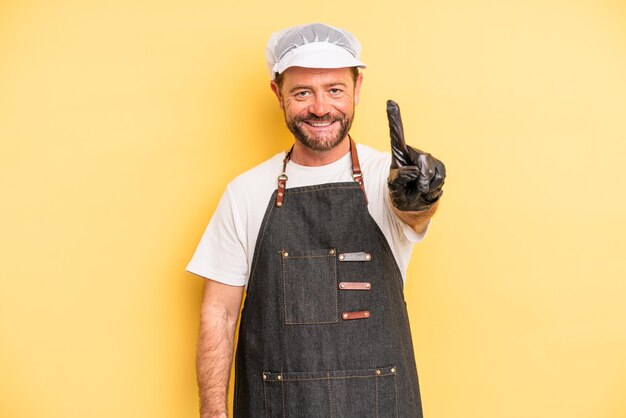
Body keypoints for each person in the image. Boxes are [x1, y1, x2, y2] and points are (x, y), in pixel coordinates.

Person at [187, 23, 446, 418]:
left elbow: (412, 215)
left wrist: (422, 198)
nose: (321, 108)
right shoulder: (245, 193)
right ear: (278, 95)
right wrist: (212, 414)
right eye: (303, 92)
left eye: (335, 90)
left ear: (357, 89)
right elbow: (218, 313)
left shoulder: (386, 178)